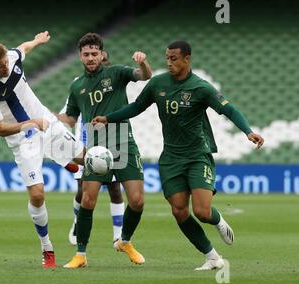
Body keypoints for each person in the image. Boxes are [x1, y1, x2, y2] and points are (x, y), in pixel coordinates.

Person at [93, 40, 265, 270]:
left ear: (187, 59)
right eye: (167, 58)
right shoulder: (158, 83)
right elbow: (137, 107)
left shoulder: (201, 87)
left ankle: (217, 220)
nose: (169, 63)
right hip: (171, 158)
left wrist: (248, 131)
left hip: (196, 155)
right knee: (179, 210)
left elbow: (228, 109)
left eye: (174, 58)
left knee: (202, 212)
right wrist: (108, 117)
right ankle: (212, 257)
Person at [0, 32, 84, 269]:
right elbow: (1, 129)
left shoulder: (12, 57)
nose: (6, 67)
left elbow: (23, 47)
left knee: (89, 159)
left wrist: (38, 41)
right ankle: (47, 247)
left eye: (6, 62)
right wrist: (30, 124)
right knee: (37, 195)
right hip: (22, 139)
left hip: (47, 123)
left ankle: (63, 159)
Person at [57, 33, 152, 268]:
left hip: (123, 140)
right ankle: (80, 255)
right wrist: (46, 119)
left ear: (101, 54)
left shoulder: (117, 72)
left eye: (94, 53)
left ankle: (125, 241)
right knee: (88, 200)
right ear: (80, 56)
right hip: (96, 148)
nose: (90, 58)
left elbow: (144, 76)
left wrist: (142, 62)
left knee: (137, 201)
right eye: (86, 54)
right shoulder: (76, 86)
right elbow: (69, 117)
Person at [60, 50, 125, 246]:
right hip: (86, 143)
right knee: (83, 190)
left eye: (102, 60)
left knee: (115, 187)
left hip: (112, 140)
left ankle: (118, 235)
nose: (95, 62)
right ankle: (77, 221)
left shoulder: (113, 84)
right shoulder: (79, 85)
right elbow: (68, 115)